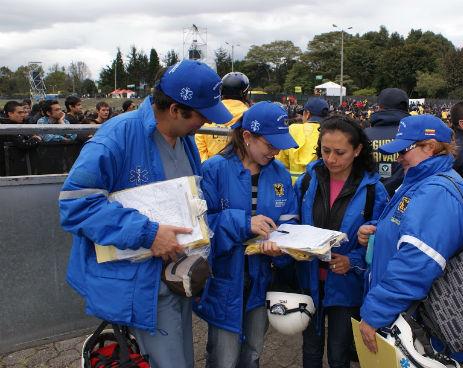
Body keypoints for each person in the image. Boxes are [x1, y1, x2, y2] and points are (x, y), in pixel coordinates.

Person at [58, 60, 232, 368]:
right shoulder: (118, 136)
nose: (204, 124)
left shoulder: (184, 141)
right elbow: (76, 204)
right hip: (144, 287)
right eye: (202, 115)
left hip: (177, 280)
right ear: (176, 110)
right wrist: (149, 234)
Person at [358, 114, 463, 364]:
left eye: (404, 150)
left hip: (428, 331)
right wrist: (378, 229)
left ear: (429, 147)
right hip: (414, 320)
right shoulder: (422, 179)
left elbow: (416, 262)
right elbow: (411, 227)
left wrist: (376, 312)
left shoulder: (435, 191)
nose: (399, 157)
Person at [195, 101, 299, 368]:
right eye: (270, 144)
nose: (275, 151)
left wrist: (284, 247)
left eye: (279, 145)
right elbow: (200, 225)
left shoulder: (279, 174)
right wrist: (244, 223)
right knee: (224, 357)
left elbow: (289, 220)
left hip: (261, 276)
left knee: (253, 352)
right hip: (225, 276)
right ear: (247, 136)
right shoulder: (214, 169)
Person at [295, 115, 388, 368]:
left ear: (357, 150)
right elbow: (292, 221)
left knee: (339, 352)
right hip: (310, 279)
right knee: (311, 348)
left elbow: (381, 237)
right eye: (325, 151)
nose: (331, 159)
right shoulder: (307, 180)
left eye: (340, 152)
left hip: (346, 284)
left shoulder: (373, 190)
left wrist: (353, 260)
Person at [364, 88, 410, 196]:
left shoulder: (363, 135)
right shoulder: (414, 137)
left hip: (368, 201)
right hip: (404, 200)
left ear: (380, 107)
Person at [195, 71, 251, 161]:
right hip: (240, 171)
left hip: (210, 169)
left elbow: (200, 149)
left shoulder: (209, 115)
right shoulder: (250, 116)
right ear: (245, 93)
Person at [277, 97, 330, 184]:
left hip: (292, 189)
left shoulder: (292, 129)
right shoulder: (330, 132)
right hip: (321, 189)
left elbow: (280, 162)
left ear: (307, 114)